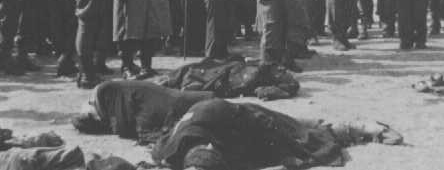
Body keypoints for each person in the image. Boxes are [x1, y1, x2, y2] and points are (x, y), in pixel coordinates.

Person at [152, 98, 403, 170]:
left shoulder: (220, 118)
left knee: (304, 135)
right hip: (227, 129)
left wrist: (297, 155)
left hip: (248, 117)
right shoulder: (167, 152)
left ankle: (357, 127)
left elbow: (269, 127)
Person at [72, 80, 214, 144]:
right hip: (162, 102)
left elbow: (123, 127)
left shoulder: (105, 93)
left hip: (165, 102)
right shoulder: (105, 94)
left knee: (192, 104)